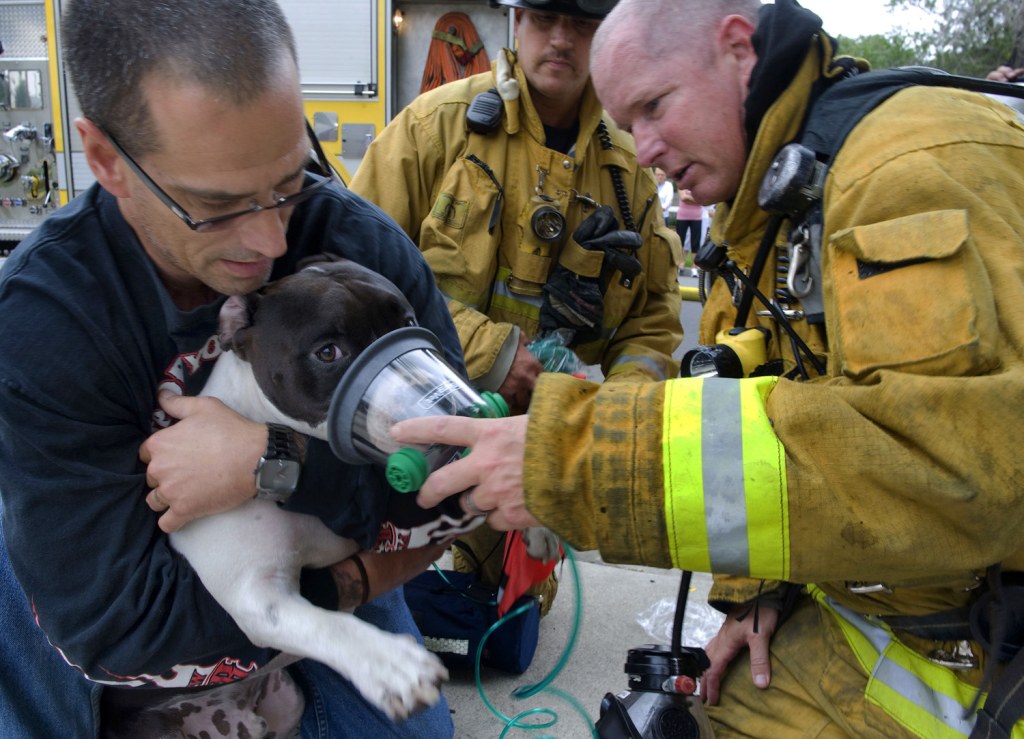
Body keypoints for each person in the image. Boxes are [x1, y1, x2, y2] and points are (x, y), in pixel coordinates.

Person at [391, 0, 1024, 736]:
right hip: (888, 612)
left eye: (657, 106)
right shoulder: (759, 213)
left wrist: (575, 458)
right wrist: (756, 591)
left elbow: (944, 465)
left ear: (737, 49)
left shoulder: (909, 169)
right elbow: (758, 396)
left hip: (980, 651)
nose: (647, 150)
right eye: (632, 124)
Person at [0, 1, 464, 736]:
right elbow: (115, 626)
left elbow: (455, 484)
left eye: (287, 181)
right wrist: (346, 572)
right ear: (106, 160)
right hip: (127, 617)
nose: (271, 238)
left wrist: (276, 462)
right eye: (215, 207)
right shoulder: (47, 319)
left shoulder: (357, 248)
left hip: (318, 576)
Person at [351, 0, 682, 615]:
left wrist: (603, 414)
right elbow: (353, 270)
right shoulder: (438, 127)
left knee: (506, 616)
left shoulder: (629, 168)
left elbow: (653, 322)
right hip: (411, 430)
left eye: (581, 24)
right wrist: (492, 350)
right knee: (384, 594)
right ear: (518, 23)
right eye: (545, 17)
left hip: (534, 448)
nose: (560, 39)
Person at [675, 187, 703, 275]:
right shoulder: (682, 185)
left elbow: (703, 200)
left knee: (695, 242)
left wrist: (689, 199)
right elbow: (683, 197)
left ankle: (694, 267)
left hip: (697, 217)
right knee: (680, 241)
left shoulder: (699, 186)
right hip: (682, 216)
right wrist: (696, 200)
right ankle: (681, 263)